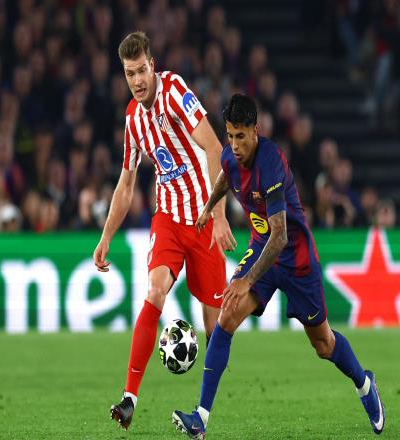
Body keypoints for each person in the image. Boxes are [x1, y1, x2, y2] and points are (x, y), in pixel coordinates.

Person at [172, 94, 385, 438]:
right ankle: (200, 418)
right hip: (262, 249)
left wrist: (246, 281)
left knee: (323, 344)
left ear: (255, 131)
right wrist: (210, 207)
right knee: (227, 315)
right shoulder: (230, 156)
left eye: (241, 136)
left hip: (295, 259)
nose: (235, 145)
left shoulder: (270, 163)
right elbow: (225, 175)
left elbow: (281, 235)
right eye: (230, 136)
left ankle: (364, 384)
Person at [93, 31, 236, 430]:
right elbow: (126, 184)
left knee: (217, 328)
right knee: (155, 290)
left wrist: (219, 215)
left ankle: (201, 415)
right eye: (129, 74)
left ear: (152, 65)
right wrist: (105, 236)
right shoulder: (132, 119)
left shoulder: (175, 92)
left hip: (204, 219)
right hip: (169, 219)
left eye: (141, 71)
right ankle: (129, 398)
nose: (137, 81)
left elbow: (214, 147)